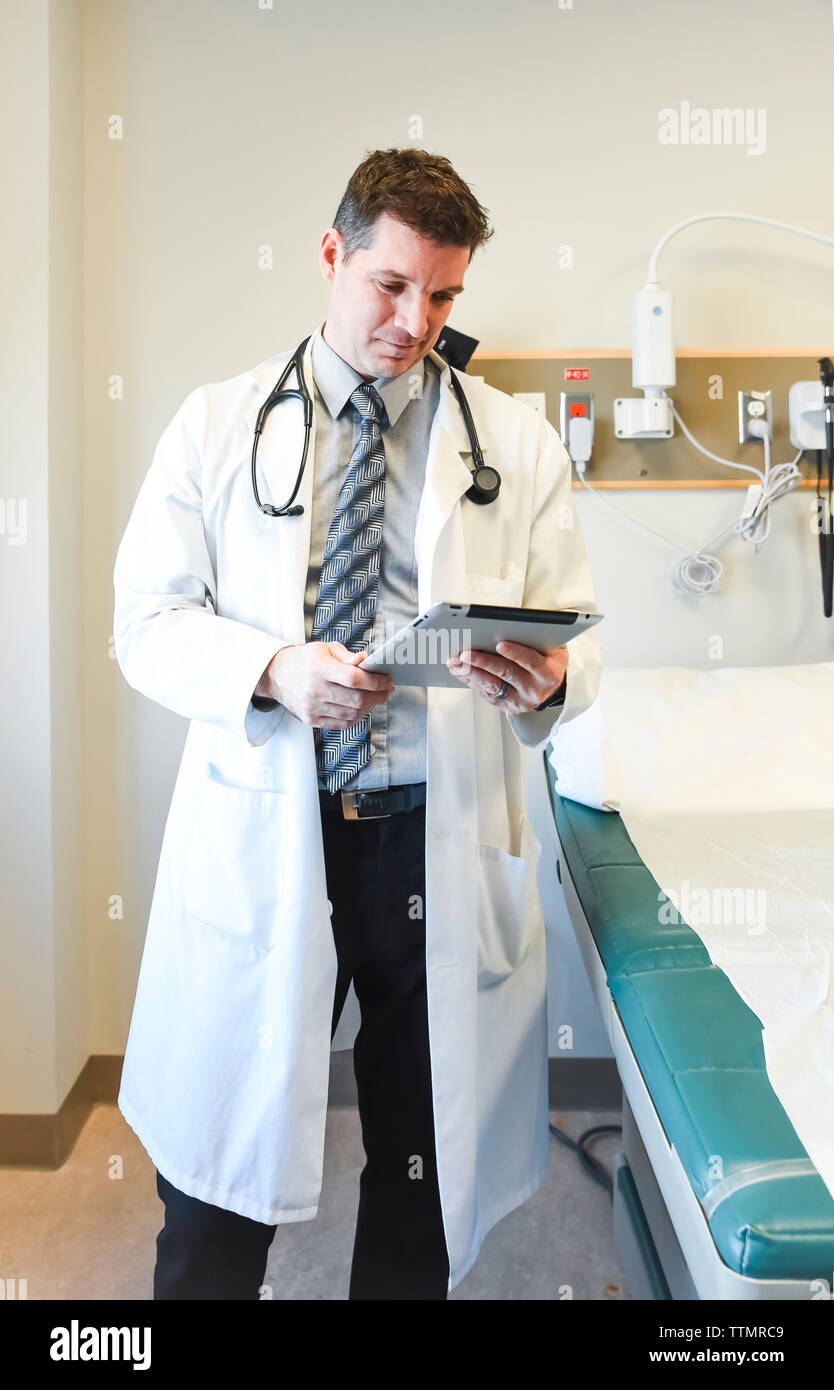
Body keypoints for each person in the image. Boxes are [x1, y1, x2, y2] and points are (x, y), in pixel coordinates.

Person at [112, 146, 602, 1300]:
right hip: (273, 836)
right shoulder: (217, 424)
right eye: (391, 285)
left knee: (419, 1178)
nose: (414, 319)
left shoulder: (514, 444)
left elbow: (576, 632)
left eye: (442, 295)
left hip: (429, 837)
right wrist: (276, 667)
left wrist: (551, 681)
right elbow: (144, 622)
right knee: (218, 1196)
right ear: (333, 255)